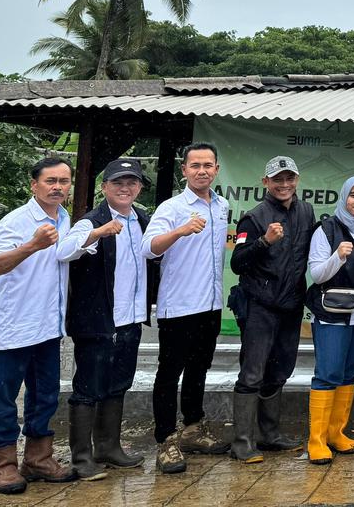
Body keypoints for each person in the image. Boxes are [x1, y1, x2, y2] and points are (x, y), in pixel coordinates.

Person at [0, 157, 79, 494]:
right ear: (33, 185)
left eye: (63, 181)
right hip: (16, 328)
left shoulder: (65, 219)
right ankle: (1, 465)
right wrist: (32, 245)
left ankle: (38, 459)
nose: (57, 187)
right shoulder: (16, 221)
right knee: (5, 397)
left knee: (45, 396)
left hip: (49, 327)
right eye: (50, 181)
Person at [58, 158, 151, 480]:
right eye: (117, 183)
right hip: (97, 321)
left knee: (118, 385)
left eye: (131, 182)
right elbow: (65, 250)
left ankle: (109, 447)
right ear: (104, 187)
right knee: (87, 388)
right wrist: (98, 233)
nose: (125, 188)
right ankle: (81, 458)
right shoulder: (91, 220)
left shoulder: (143, 219)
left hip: (131, 319)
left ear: (139, 187)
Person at [141, 142, 232, 474]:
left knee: (199, 369)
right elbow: (148, 248)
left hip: (209, 304)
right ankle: (166, 440)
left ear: (217, 170)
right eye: (195, 165)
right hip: (178, 306)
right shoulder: (172, 207)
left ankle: (193, 428)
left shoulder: (221, 206)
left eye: (208, 165)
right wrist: (179, 230)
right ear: (184, 170)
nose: (202, 170)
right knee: (169, 374)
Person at [227, 156, 314, 463]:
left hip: (291, 306)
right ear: (265, 182)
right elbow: (237, 263)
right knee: (252, 374)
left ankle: (271, 435)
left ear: (297, 180)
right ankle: (242, 442)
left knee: (279, 371)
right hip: (259, 306)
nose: (284, 184)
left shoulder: (306, 211)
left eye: (289, 178)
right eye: (277, 179)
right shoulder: (253, 217)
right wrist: (264, 241)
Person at [306, 176, 354, 464]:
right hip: (332, 315)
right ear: (343, 197)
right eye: (353, 195)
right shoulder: (326, 230)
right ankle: (316, 440)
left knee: (351, 373)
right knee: (328, 373)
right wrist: (338, 256)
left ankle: (336, 433)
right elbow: (316, 275)